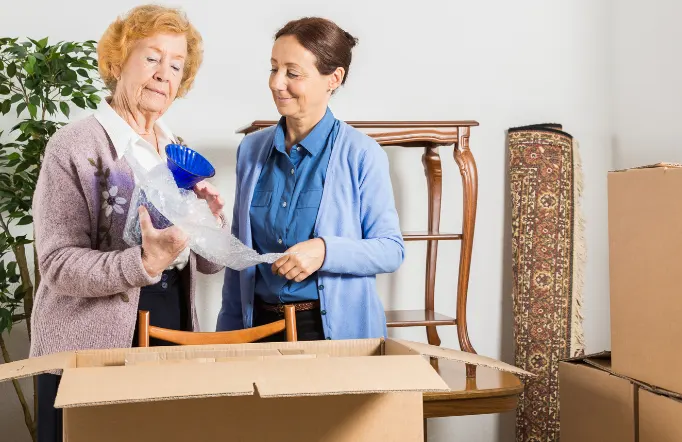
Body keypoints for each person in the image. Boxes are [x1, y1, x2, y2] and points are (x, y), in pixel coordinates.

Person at [29, 5, 224, 442]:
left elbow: (208, 266)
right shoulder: (74, 146)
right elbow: (58, 266)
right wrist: (143, 262)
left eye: (176, 65)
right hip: (88, 341)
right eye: (152, 57)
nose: (163, 73)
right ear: (118, 63)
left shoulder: (178, 148)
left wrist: (209, 225)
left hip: (170, 328)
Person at [216, 17, 404, 341]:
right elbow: (239, 257)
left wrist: (324, 251)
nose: (276, 82)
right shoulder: (250, 150)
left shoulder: (362, 153)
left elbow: (390, 249)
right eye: (273, 68)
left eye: (292, 73)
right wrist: (226, 340)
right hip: (257, 328)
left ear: (333, 78)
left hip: (330, 334)